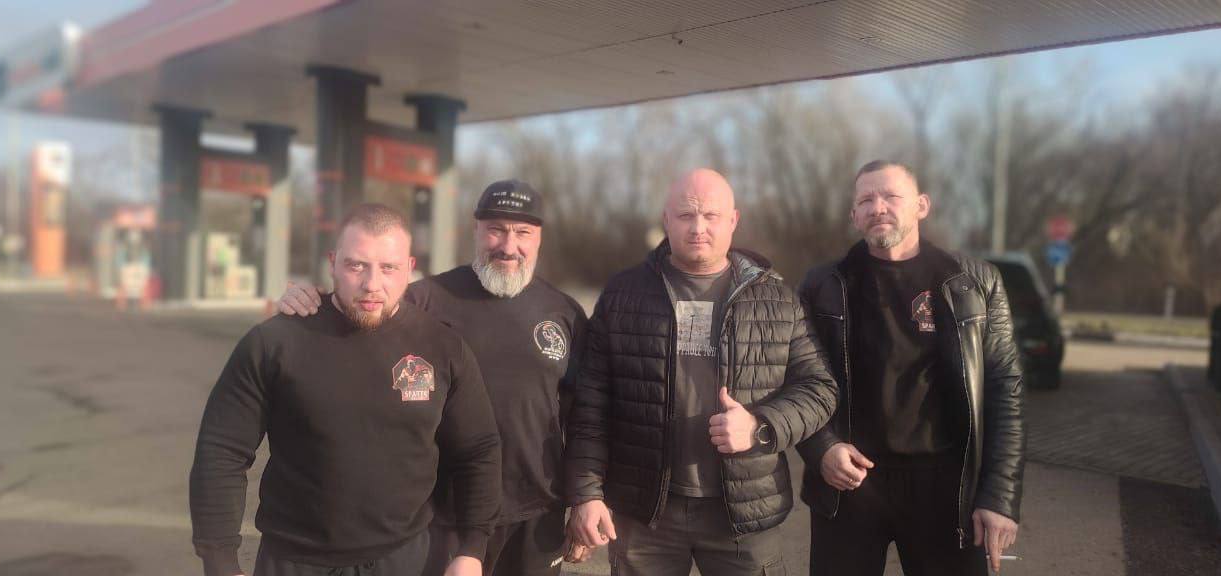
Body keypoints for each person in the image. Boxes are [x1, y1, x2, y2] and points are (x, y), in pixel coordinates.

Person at [276, 181, 588, 575]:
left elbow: (585, 419)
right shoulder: (424, 299)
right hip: (440, 514)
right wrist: (312, 300)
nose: (509, 246)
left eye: (522, 232)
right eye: (495, 229)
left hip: (537, 513)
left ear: (539, 237)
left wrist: (586, 499)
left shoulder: (565, 313)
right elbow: (359, 308)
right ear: (475, 230)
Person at [190, 204, 501, 576]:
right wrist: (220, 562)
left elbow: (478, 449)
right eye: (356, 265)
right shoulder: (275, 343)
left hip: (407, 560)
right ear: (333, 263)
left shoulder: (443, 347)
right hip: (296, 560)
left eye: (388, 268)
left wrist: (472, 548)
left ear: (409, 268)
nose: (372, 284)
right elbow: (222, 451)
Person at [564, 168, 838, 575]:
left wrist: (760, 425)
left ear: (733, 220)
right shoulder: (623, 295)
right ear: (666, 220)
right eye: (686, 215)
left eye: (711, 215)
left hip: (744, 513)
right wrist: (587, 493)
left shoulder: (776, 298)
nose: (698, 228)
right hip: (644, 514)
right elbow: (591, 403)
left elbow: (819, 388)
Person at [796, 160, 1025, 575]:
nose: (878, 207)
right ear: (854, 215)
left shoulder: (975, 283)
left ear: (921, 205)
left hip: (946, 487)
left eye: (890, 196)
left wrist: (999, 497)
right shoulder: (822, 285)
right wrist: (821, 448)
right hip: (849, 481)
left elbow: (1004, 390)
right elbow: (799, 380)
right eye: (866, 200)